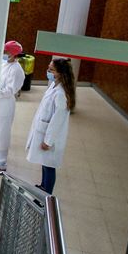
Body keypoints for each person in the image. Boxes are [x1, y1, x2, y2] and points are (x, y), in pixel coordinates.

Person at [26, 58, 75, 194]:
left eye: (51, 70)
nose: (48, 71)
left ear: (60, 73)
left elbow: (57, 120)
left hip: (50, 137)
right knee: (44, 163)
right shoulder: (54, 86)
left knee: (49, 166)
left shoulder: (60, 94)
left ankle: (47, 195)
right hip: (43, 130)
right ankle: (43, 187)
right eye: (49, 68)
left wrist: (48, 141)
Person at [0, 41, 26, 174]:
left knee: (1, 133)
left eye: (7, 52)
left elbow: (10, 90)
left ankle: (0, 162)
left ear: (14, 55)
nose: (4, 54)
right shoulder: (5, 64)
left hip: (5, 104)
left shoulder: (17, 70)